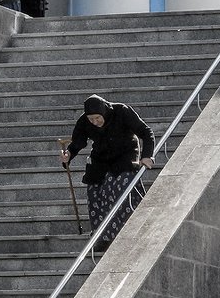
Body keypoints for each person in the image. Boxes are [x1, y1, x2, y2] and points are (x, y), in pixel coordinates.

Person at [59, 94, 155, 252]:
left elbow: (146, 132)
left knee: (116, 186)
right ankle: (102, 237)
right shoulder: (84, 121)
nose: (95, 122)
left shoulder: (122, 111)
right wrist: (68, 155)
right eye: (91, 119)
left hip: (125, 155)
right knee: (94, 190)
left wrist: (147, 155)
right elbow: (77, 142)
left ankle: (123, 231)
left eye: (97, 118)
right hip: (101, 158)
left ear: (104, 111)